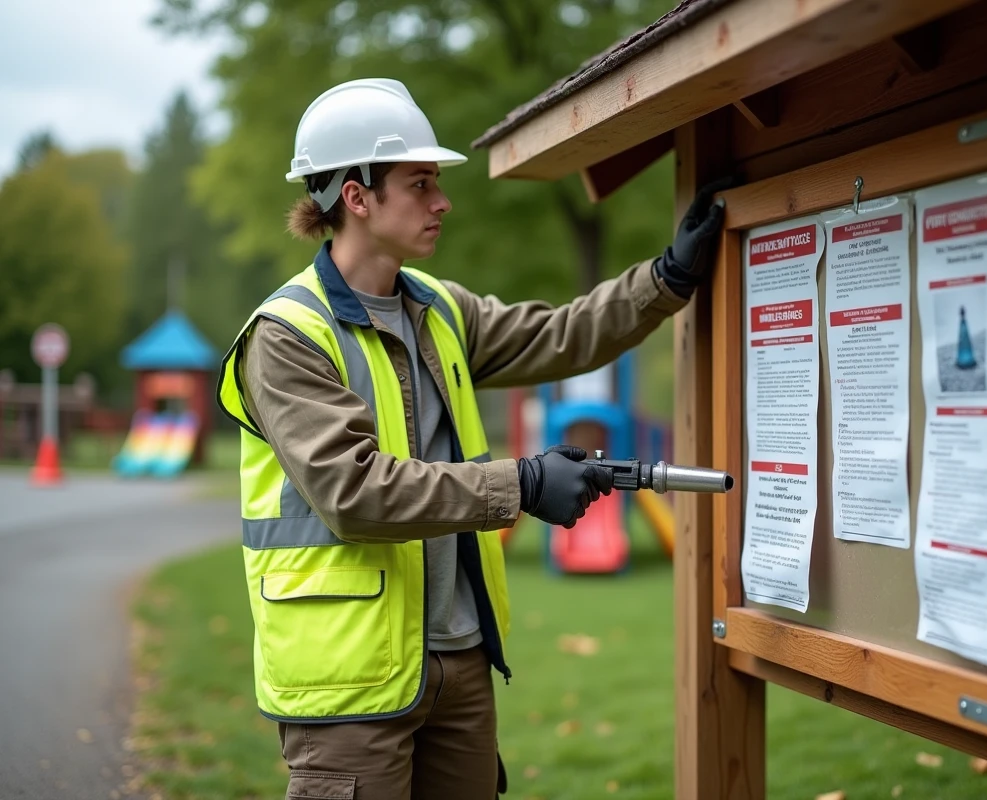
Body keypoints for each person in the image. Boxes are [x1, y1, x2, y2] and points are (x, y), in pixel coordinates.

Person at [214, 77, 729, 800]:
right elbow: (353, 492)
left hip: (460, 663)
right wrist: (520, 484)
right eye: (419, 183)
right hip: (350, 683)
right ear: (356, 197)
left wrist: (667, 278)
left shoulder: (439, 308)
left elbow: (561, 332)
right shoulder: (287, 336)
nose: (441, 199)